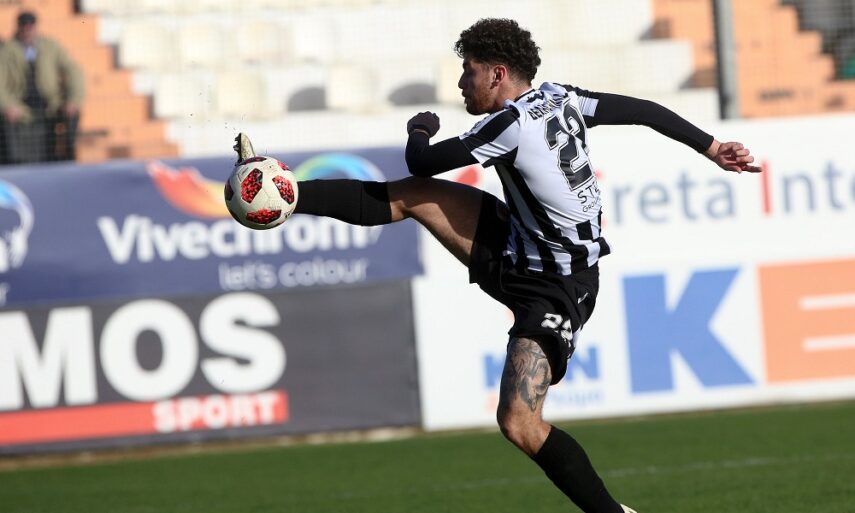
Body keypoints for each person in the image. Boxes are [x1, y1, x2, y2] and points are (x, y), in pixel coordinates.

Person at [235, 18, 760, 513]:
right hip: (515, 244)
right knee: (414, 195)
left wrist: (419, 129)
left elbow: (422, 159)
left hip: (557, 286)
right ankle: (287, 193)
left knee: (519, 423)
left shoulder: (509, 124)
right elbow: (644, 110)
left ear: (497, 74)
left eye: (469, 71)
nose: (462, 82)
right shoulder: (563, 97)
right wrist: (712, 147)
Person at [0, 10, 84, 164]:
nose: (28, 30)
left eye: (30, 26)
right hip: (21, 107)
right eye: (24, 26)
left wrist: (74, 99)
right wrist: (8, 105)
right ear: (18, 27)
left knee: (73, 114)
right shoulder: (6, 50)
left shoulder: (51, 46)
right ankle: (14, 163)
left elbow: (73, 71)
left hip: (51, 105)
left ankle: (68, 159)